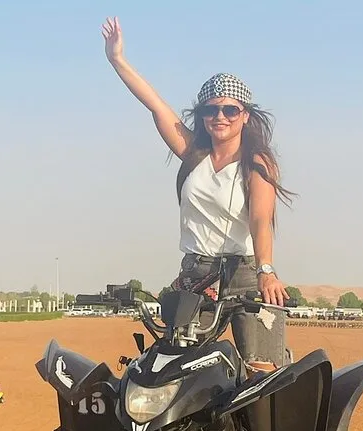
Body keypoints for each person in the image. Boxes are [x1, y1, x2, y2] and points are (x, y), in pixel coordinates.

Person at [101, 17, 296, 375]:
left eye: (229, 109)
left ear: (245, 115)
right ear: (202, 115)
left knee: (263, 370)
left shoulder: (257, 162)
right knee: (180, 366)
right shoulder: (193, 154)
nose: (219, 116)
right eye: (210, 109)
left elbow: (259, 219)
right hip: (197, 274)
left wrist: (266, 271)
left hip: (247, 272)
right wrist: (118, 60)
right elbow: (156, 106)